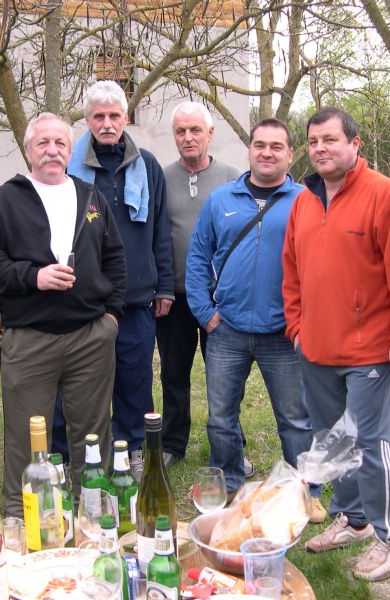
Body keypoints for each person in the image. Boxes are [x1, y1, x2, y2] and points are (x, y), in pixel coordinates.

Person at [282, 107, 390, 581]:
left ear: (355, 144)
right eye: (313, 141)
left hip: (372, 352)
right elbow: (291, 269)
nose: (320, 148)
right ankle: (354, 518)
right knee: (332, 442)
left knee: (372, 443)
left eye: (330, 139)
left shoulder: (387, 196)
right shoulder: (304, 201)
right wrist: (297, 328)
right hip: (316, 348)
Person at [0, 113, 126, 509]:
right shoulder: (6, 200)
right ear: (28, 151)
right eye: (43, 143)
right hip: (30, 339)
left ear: (70, 150)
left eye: (60, 143)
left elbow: (115, 258)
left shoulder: (91, 197)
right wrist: (33, 277)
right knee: (27, 435)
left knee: (92, 433)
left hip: (90, 337)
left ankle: (93, 508)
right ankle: (23, 514)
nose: (52, 151)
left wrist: (111, 318)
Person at [185, 118, 321, 511]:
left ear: (290, 153)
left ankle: (306, 492)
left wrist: (305, 320)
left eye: (276, 146)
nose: (267, 153)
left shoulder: (306, 201)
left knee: (295, 419)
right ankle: (229, 480)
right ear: (249, 150)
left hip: (283, 332)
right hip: (227, 330)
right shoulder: (220, 200)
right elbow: (198, 258)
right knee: (220, 417)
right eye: (260, 145)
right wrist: (205, 313)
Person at [66, 80, 174, 480]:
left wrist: (164, 286)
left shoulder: (147, 166)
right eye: (99, 116)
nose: (107, 124)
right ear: (88, 120)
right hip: (85, 299)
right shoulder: (70, 168)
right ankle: (85, 454)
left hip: (135, 297)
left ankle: (133, 450)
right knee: (84, 384)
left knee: (135, 380)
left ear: (125, 118)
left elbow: (160, 229)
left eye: (114, 116)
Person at [156, 101, 245, 469]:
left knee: (224, 378)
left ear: (210, 134)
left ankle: (229, 446)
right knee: (173, 374)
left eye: (195, 130)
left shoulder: (232, 178)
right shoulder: (160, 178)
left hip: (219, 300)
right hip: (173, 298)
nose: (188, 137)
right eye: (181, 131)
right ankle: (173, 443)